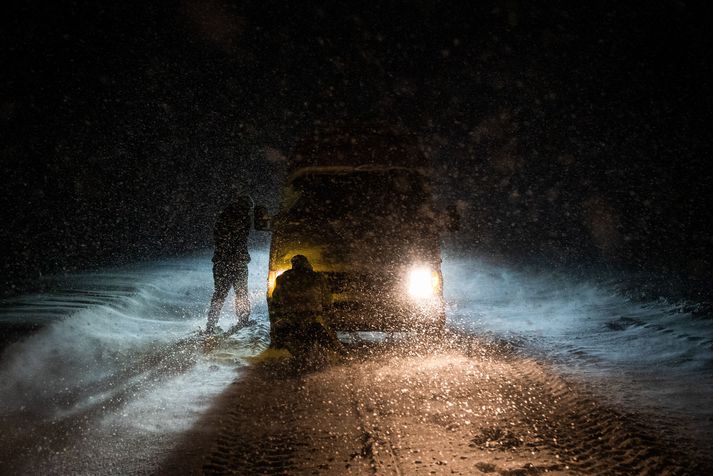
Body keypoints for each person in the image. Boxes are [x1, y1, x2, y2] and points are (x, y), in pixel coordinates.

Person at [270, 255, 343, 357]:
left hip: (290, 319)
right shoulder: (318, 277)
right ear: (307, 264)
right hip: (313, 317)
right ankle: (341, 356)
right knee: (332, 342)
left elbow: (275, 299)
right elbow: (327, 300)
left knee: (277, 337)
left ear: (293, 265)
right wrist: (327, 309)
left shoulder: (282, 278)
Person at [205, 195, 253, 334]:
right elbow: (232, 239)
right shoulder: (241, 219)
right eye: (247, 209)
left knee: (221, 294)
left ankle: (211, 325)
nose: (248, 212)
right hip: (235, 262)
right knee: (241, 293)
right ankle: (242, 321)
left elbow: (221, 239)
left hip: (223, 263)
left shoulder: (224, 217)